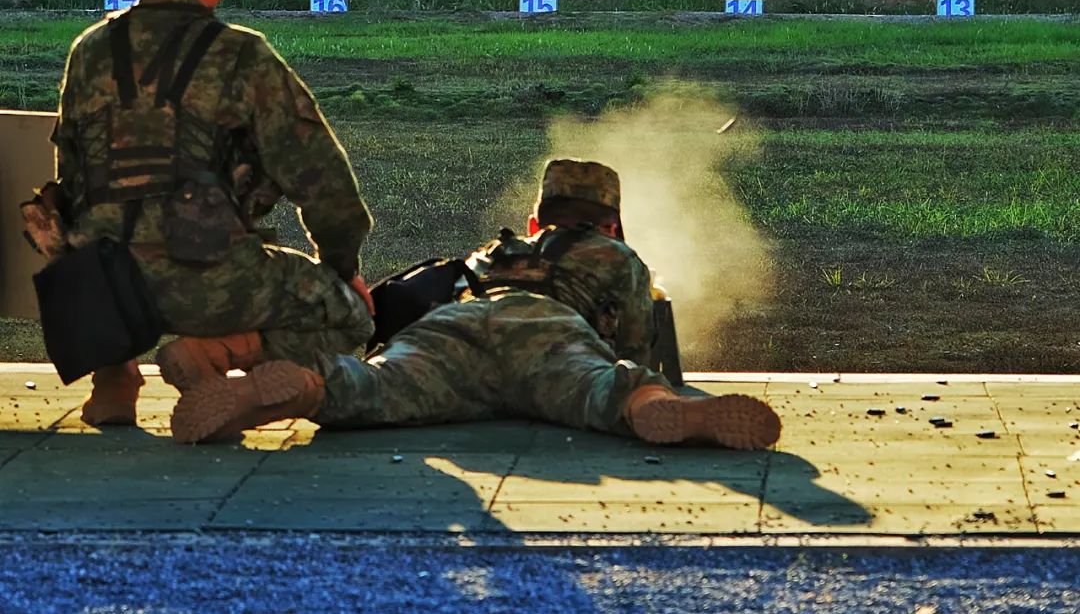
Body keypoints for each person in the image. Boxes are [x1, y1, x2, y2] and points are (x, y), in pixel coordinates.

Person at [170, 158, 781, 452]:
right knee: (614, 387)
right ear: (612, 224)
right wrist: (646, 382)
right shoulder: (618, 258)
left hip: (453, 326)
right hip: (548, 334)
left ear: (537, 218)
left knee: (373, 388)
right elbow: (635, 348)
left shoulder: (496, 251)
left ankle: (301, 386)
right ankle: (667, 416)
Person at [52, 0, 374, 428]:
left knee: (104, 217)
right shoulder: (242, 55)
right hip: (206, 282)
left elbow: (71, 178)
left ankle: (114, 373)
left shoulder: (89, 50)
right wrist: (344, 269)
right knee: (348, 314)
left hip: (98, 290)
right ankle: (222, 353)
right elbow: (321, 179)